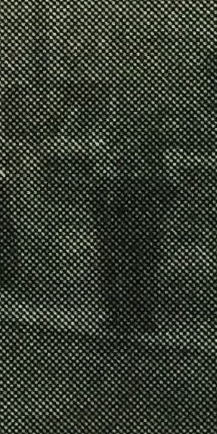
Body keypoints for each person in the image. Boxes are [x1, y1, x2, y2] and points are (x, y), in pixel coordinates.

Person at [89, 139, 171, 339]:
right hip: (132, 235)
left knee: (129, 274)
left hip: (128, 235)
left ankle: (129, 317)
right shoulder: (144, 182)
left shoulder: (124, 183)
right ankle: (134, 317)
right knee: (136, 275)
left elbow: (100, 203)